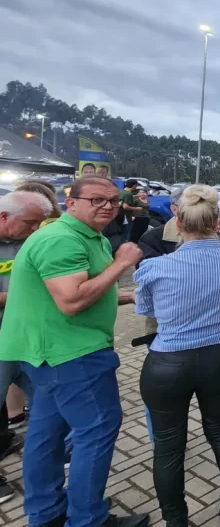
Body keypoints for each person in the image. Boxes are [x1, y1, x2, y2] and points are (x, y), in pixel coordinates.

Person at [0, 177, 147, 527]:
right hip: (72, 354)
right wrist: (122, 263)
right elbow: (71, 300)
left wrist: (128, 296)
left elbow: (75, 291)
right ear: (73, 201)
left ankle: (47, 512)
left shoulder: (82, 236)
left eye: (113, 200)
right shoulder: (62, 240)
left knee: (46, 434)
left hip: (46, 354)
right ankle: (87, 519)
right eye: (97, 199)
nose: (108, 206)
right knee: (96, 431)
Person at [134, 185, 220, 527]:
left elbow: (146, 309)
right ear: (217, 222)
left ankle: (176, 520)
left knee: (169, 446)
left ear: (178, 223)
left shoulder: (153, 269)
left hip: (168, 362)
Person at [137, 188, 220, 438]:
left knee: (190, 432)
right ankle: (162, 435)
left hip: (202, 343)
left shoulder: (219, 245)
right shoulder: (152, 239)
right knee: (199, 429)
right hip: (173, 338)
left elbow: (145, 305)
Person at [0, 191, 51, 504]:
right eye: (30, 223)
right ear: (4, 217)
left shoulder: (27, 243)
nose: (34, 230)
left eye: (38, 224)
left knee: (48, 394)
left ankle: (50, 455)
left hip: (28, 338)